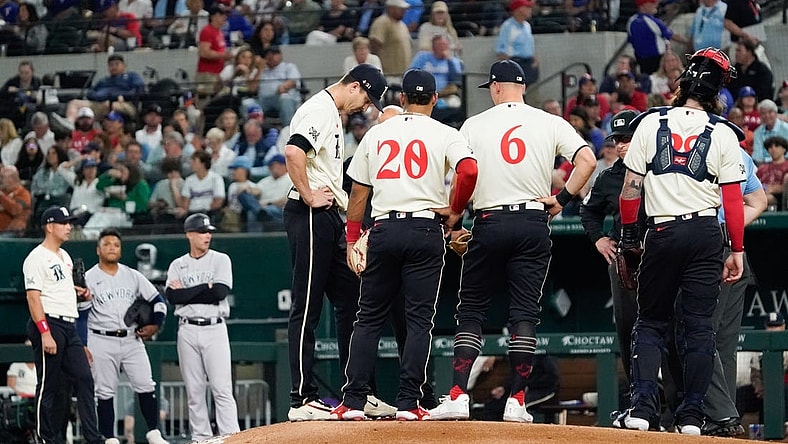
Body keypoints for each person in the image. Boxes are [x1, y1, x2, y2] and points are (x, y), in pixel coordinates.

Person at [428, 60, 596, 422]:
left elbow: (462, 175)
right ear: (521, 87)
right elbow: (588, 160)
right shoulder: (549, 121)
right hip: (533, 220)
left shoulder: (474, 124)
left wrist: (455, 216)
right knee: (524, 313)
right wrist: (562, 198)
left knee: (471, 308)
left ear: (497, 87)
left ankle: (457, 395)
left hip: (489, 219)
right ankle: (518, 401)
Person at [611, 47, 746, 435]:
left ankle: (642, 409)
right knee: (700, 329)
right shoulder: (723, 133)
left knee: (651, 322)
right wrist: (736, 249)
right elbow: (733, 202)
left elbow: (630, 190)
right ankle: (691, 417)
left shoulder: (649, 124)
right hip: (706, 233)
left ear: (682, 83)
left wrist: (628, 236)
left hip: (663, 231)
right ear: (717, 92)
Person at [330, 69, 477, 421]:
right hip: (426, 229)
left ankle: (353, 400)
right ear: (436, 100)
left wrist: (352, 239)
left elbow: (358, 193)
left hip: (384, 228)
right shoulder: (445, 132)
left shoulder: (378, 133)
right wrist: (454, 212)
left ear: (401, 99)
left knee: (367, 319)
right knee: (418, 321)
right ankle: (409, 403)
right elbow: (469, 171)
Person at [283, 63, 388, 421]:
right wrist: (308, 194)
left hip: (327, 217)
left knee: (352, 299)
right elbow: (293, 152)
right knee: (307, 306)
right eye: (366, 97)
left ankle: (360, 393)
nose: (365, 106)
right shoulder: (319, 109)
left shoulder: (331, 113)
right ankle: (301, 398)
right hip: (309, 213)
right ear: (355, 86)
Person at [78, 228, 169, 444]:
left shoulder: (132, 275)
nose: (112, 248)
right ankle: (109, 438)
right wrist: (83, 343)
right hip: (100, 337)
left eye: (116, 245)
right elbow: (80, 315)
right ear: (98, 249)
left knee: (146, 384)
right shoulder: (88, 278)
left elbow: (158, 300)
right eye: (107, 244)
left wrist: (156, 324)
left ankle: (153, 433)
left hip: (131, 338)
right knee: (105, 391)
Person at [23, 206, 103, 444]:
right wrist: (45, 333)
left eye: (70, 222)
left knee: (85, 379)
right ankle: (45, 438)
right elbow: (33, 297)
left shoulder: (65, 256)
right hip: (49, 322)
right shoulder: (36, 257)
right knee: (49, 385)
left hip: (69, 323)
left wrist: (81, 294)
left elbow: (60, 292)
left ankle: (93, 437)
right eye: (64, 222)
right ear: (50, 226)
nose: (69, 227)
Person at [580, 110, 644, 390]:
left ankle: (675, 406)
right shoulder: (608, 177)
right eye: (617, 139)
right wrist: (599, 239)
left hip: (661, 255)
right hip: (625, 262)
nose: (620, 145)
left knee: (670, 330)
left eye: (627, 138)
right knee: (628, 330)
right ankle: (639, 400)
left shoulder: (660, 169)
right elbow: (588, 211)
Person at [164, 213, 240, 441]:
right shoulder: (178, 264)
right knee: (194, 391)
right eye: (202, 232)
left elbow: (219, 292)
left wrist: (187, 292)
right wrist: (203, 287)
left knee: (222, 388)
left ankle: (231, 436)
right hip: (187, 329)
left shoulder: (220, 259)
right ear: (189, 234)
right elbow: (172, 297)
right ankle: (201, 437)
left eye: (209, 232)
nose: (207, 236)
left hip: (214, 328)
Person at [626, 0, 688, 75]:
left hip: (641, 61)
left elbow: (631, 41)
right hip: (657, 61)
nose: (655, 4)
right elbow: (672, 35)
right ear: (644, 5)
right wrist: (688, 42)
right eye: (652, 3)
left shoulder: (631, 21)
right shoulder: (651, 21)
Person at [252, 46, 302, 127]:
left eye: (274, 54)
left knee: (285, 98)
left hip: (281, 98)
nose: (271, 57)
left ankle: (287, 129)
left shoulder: (288, 66)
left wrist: (284, 86)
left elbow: (293, 81)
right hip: (264, 101)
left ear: (280, 56)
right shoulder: (261, 70)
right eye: (268, 54)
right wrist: (260, 69)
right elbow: (252, 88)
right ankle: (253, 130)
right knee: (247, 103)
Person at [495, 0, 538, 86]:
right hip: (515, 62)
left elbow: (529, 45)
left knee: (526, 89)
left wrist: (534, 60)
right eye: (527, 8)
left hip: (528, 63)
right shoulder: (508, 26)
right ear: (519, 9)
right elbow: (501, 50)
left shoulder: (527, 25)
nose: (530, 10)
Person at [196, 4, 233, 96]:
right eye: (221, 15)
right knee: (206, 100)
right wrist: (223, 55)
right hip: (207, 73)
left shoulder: (219, 32)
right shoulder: (207, 31)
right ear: (213, 16)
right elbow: (203, 52)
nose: (224, 17)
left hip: (218, 73)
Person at [368, 0, 412, 78]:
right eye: (401, 9)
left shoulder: (402, 24)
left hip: (402, 73)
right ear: (391, 8)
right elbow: (374, 46)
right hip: (388, 74)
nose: (404, 11)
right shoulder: (382, 22)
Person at [755, 136, 788, 210]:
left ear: (784, 149)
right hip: (762, 194)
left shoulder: (787, 165)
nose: (773, 149)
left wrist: (775, 189)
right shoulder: (762, 168)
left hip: (781, 197)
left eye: (777, 146)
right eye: (770, 147)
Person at [752, 100, 788, 165]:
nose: (767, 115)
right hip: (764, 167)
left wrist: (768, 160)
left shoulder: (786, 129)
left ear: (776, 113)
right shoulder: (757, 132)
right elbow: (757, 157)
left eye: (770, 112)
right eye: (763, 113)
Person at [0, 165, 32, 236]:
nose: (0, 180)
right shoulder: (3, 191)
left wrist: (2, 197)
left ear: (12, 178)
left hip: (12, 230)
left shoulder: (23, 193)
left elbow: (16, 210)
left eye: (2, 177)